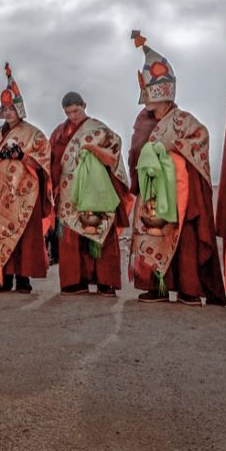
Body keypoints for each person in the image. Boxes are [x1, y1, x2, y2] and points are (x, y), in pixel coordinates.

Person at [128, 32, 225, 306]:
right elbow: (135, 153)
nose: (147, 100)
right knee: (152, 234)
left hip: (180, 191)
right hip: (152, 193)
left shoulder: (183, 120)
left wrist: (173, 147)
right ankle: (156, 287)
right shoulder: (144, 123)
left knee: (185, 240)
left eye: (150, 95)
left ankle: (188, 288)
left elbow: (201, 138)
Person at [50, 92, 129, 297]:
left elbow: (114, 153)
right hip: (69, 190)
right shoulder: (59, 132)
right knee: (70, 234)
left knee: (98, 229)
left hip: (94, 186)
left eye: (76, 111)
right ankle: (74, 282)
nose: (73, 116)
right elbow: (52, 160)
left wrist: (93, 148)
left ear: (84, 105)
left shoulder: (98, 130)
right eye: (68, 113)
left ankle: (105, 282)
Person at [0, 64, 52, 294]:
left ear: (19, 110)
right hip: (2, 193)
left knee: (23, 235)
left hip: (25, 193)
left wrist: (22, 155)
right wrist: (0, 155)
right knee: (0, 233)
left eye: (11, 108)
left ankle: (23, 278)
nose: (8, 113)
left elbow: (42, 161)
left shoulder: (34, 133)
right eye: (5, 109)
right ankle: (4, 278)